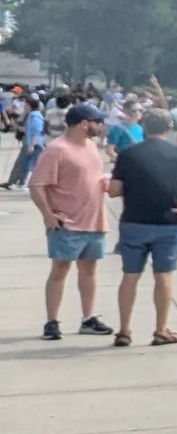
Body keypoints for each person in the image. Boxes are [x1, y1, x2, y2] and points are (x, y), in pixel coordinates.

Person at [107, 108, 177, 347]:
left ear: (144, 127)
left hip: (134, 221)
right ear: (168, 129)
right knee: (163, 275)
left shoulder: (128, 155)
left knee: (130, 276)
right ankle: (160, 330)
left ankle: (124, 330)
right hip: (167, 222)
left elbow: (114, 190)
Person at [31, 103, 112, 340]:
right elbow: (37, 185)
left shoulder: (91, 146)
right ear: (84, 124)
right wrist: (47, 214)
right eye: (98, 121)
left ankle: (88, 318)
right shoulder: (57, 150)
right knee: (60, 269)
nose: (101, 126)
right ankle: (52, 321)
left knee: (89, 269)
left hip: (94, 220)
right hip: (66, 222)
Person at [7, 94, 45, 190]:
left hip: (33, 144)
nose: (24, 107)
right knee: (27, 164)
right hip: (30, 143)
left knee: (27, 164)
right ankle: (22, 182)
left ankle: (23, 183)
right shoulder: (33, 115)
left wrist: (31, 145)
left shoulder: (34, 116)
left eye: (26, 105)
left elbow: (36, 132)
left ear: (30, 106)